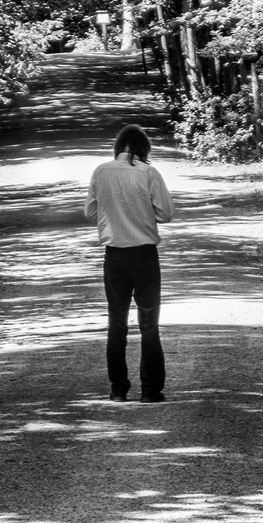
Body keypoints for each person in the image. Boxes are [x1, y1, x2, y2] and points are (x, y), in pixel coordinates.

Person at [84, 124, 175, 402]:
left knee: (117, 322)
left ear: (118, 146)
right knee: (149, 323)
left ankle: (118, 388)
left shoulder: (101, 171)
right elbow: (166, 214)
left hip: (114, 254)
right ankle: (150, 390)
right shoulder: (149, 172)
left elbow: (90, 212)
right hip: (144, 254)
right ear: (143, 147)